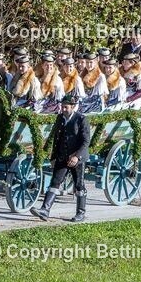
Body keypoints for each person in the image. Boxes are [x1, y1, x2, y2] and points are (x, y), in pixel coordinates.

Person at [31, 93, 91, 223]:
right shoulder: (60, 118)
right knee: (54, 183)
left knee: (79, 185)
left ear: (73, 107)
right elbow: (56, 139)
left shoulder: (81, 119)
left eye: (66, 107)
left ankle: (81, 213)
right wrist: (53, 157)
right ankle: (45, 210)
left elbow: (86, 142)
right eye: (62, 107)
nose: (63, 109)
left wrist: (76, 156)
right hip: (62, 156)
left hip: (77, 158)